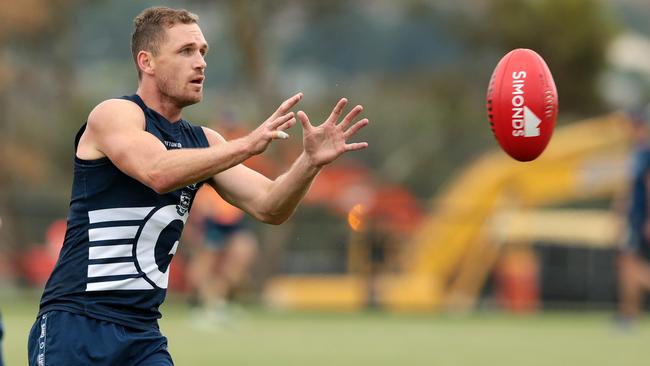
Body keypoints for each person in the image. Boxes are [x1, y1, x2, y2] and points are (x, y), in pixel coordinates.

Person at [27, 6, 369, 366]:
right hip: (77, 324)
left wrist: (309, 163)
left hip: (142, 335)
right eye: (186, 51)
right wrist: (247, 145)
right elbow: (157, 171)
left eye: (203, 51)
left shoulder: (205, 141)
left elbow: (271, 205)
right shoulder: (115, 114)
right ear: (147, 62)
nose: (201, 62)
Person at [186, 184, 259, 325]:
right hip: (210, 221)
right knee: (204, 265)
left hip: (233, 221)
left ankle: (220, 303)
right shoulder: (202, 189)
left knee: (236, 264)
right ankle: (206, 305)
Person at [617, 104, 650, 328]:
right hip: (634, 219)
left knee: (630, 267)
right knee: (627, 264)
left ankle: (629, 316)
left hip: (640, 219)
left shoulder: (646, 152)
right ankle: (629, 315)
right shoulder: (637, 151)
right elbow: (629, 189)